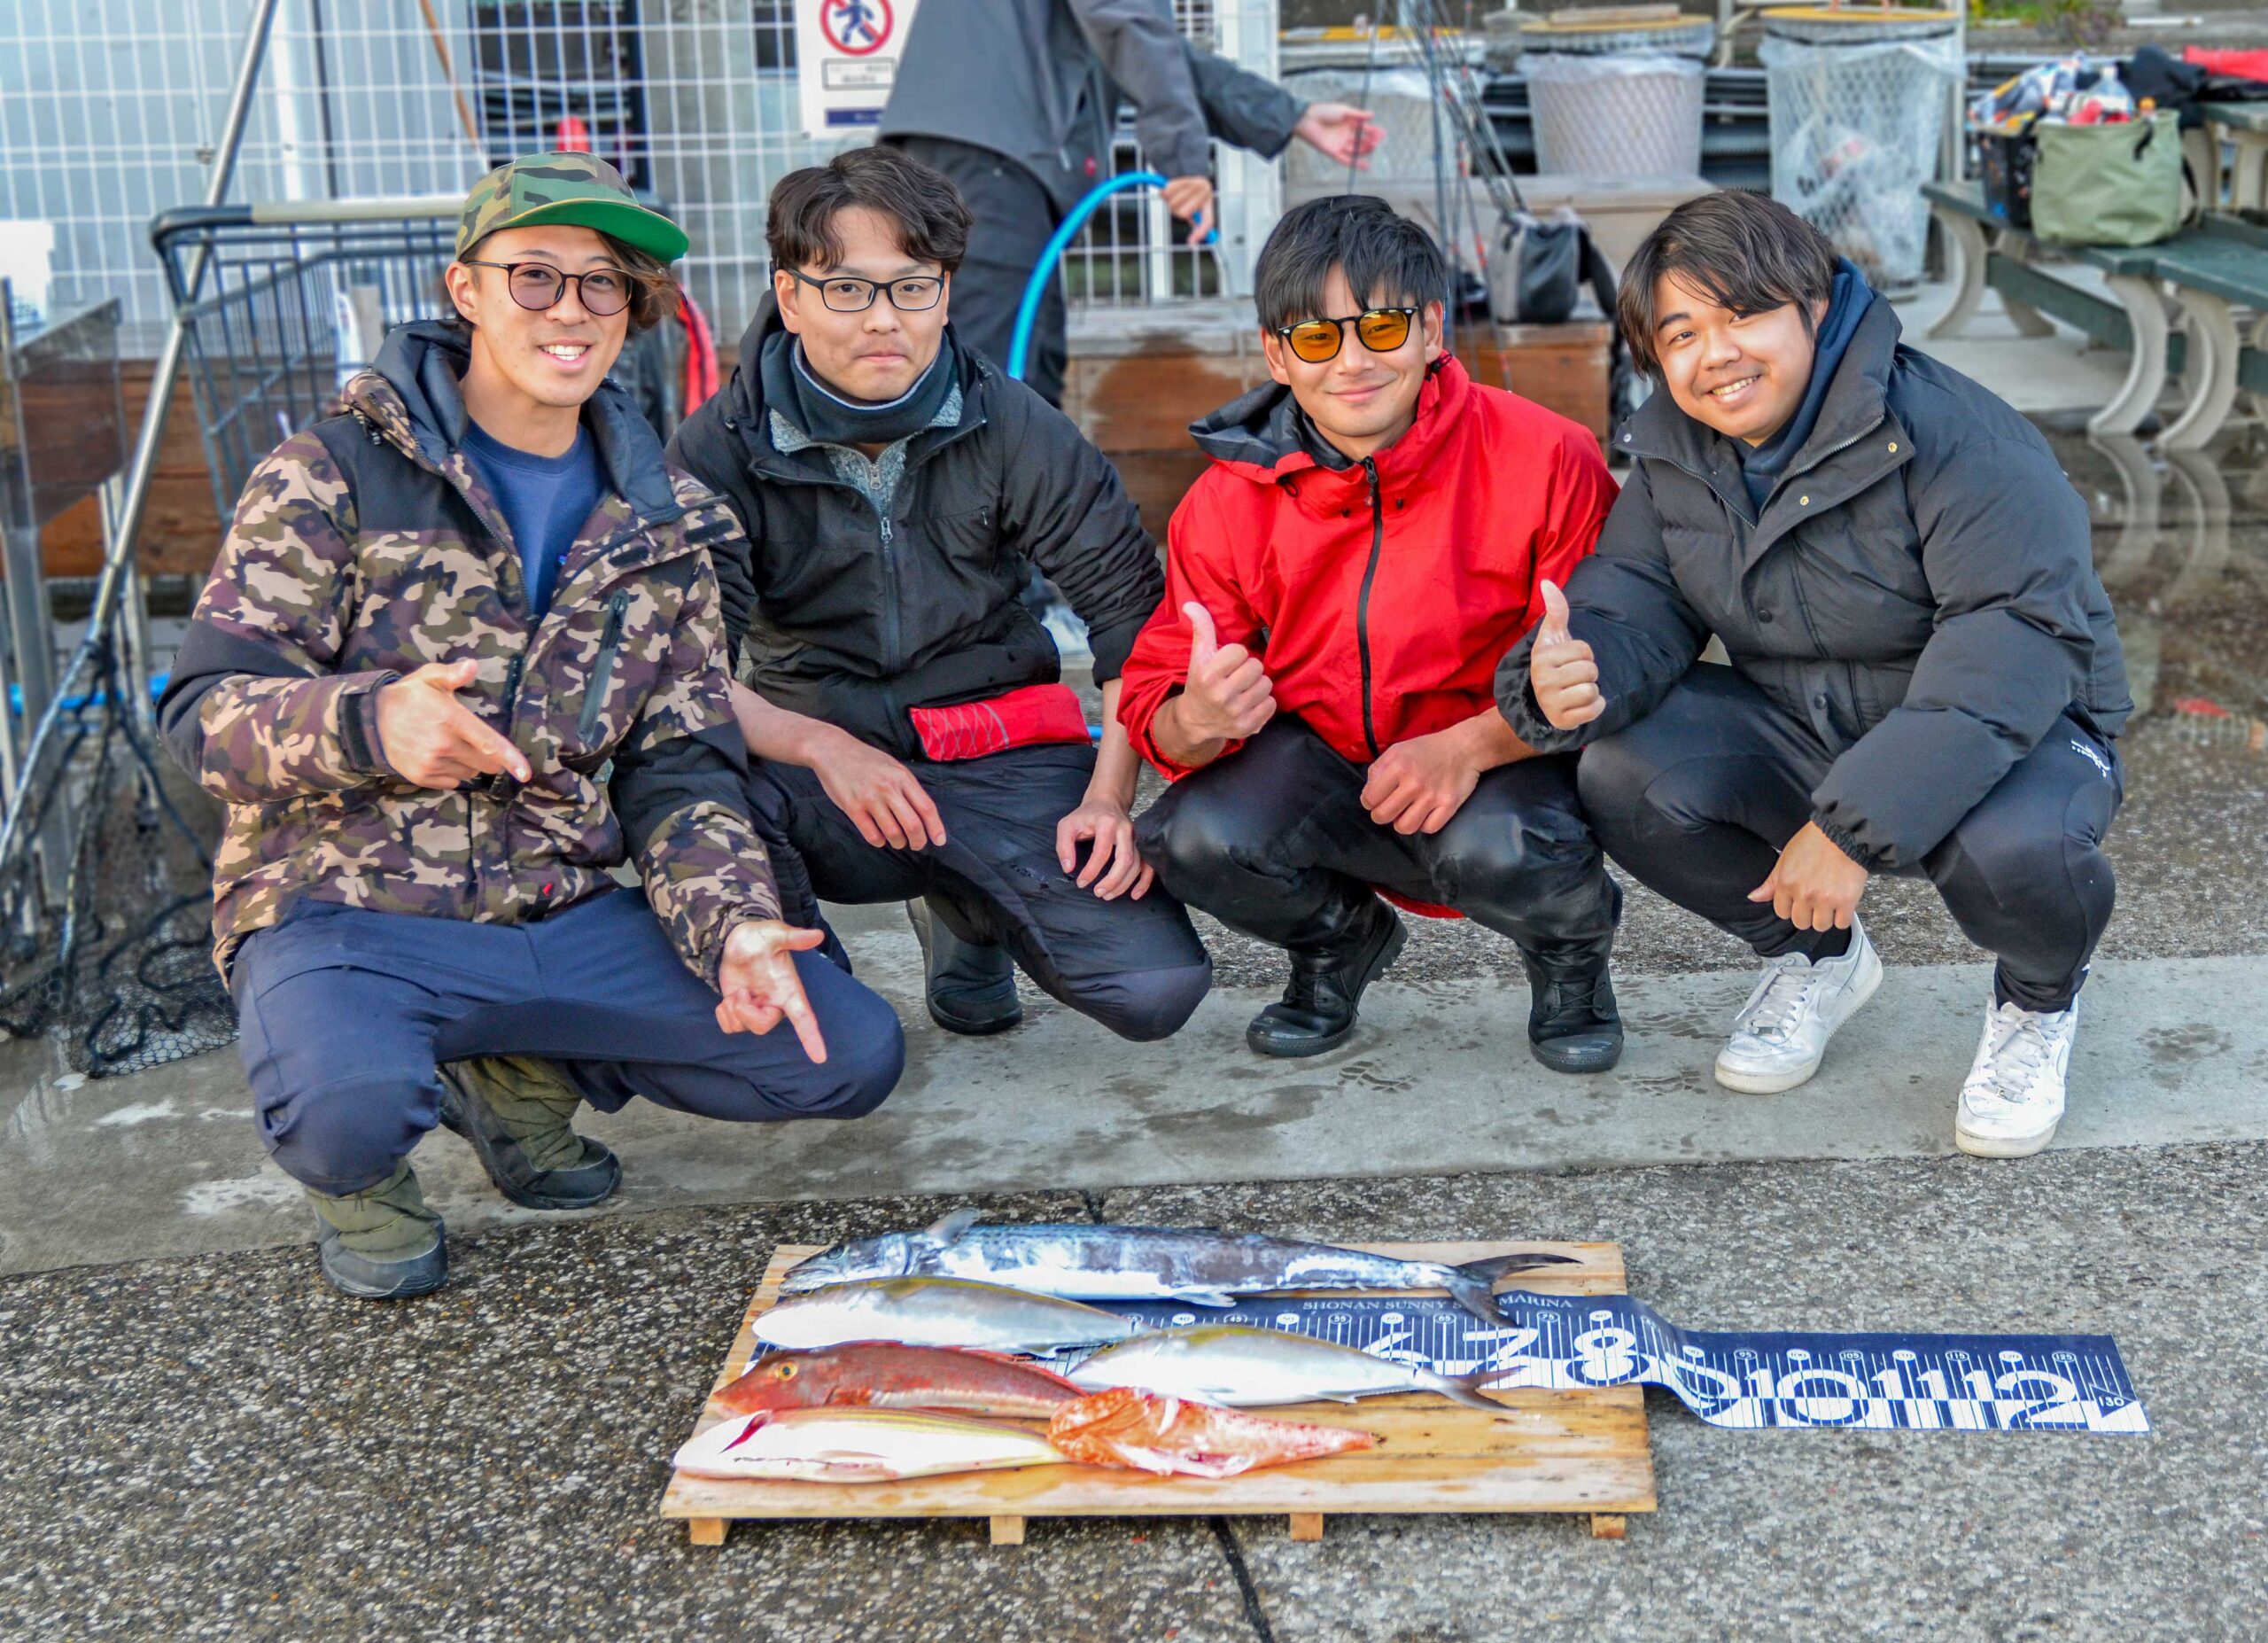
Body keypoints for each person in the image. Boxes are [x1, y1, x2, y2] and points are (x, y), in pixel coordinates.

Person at [158, 154, 905, 1301]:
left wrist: (736, 926)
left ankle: (517, 1081)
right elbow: (202, 715)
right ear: (466, 289)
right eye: (536, 275)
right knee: (349, 1107)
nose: (571, 309)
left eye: (603, 283)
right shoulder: (332, 472)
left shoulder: (669, 519)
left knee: (840, 1052)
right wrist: (370, 723)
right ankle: (364, 1180)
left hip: (560, 905)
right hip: (351, 910)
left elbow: (682, 762)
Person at [1501, 191, 2130, 1157]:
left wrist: (1847, 828)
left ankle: (2038, 1003)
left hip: (2022, 731)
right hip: (1810, 721)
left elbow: (2008, 650)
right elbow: (1634, 599)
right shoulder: (1677, 450)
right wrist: (1576, 673)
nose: (1716, 354)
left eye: (1743, 314)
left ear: (1817, 305)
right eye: (1681, 333)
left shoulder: (1962, 438)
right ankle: (1817, 958)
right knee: (1621, 767)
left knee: (2018, 852)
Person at [666, 146, 1214, 1042]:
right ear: (790, 296)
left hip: (992, 745)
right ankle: (816, 987)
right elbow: (684, 673)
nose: (884, 318)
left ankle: (966, 910)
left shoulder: (1012, 423)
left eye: (912, 287)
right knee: (714, 797)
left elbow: (1130, 618)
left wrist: (1109, 799)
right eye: (848, 289)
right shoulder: (719, 448)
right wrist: (821, 746)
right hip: (819, 764)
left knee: (1153, 988)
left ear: (946, 293)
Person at [1118, 196, 1625, 1066]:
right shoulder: (1223, 501)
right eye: (1317, 338)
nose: (1352, 362)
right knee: (1188, 837)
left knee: (1507, 850)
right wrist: (1194, 719)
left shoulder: (1549, 456)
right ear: (1277, 355)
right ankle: (1337, 942)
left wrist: (1468, 746)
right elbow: (1155, 695)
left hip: (1497, 762)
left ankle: (1569, 955)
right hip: (1322, 763)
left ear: (1431, 330)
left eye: (1382, 327)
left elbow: (1612, 659)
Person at [878, 0, 1381, 406]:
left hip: (962, 154)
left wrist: (1291, 115)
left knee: (999, 374)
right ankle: (985, 505)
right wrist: (1183, 160)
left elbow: (1156, 48)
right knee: (998, 385)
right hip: (992, 165)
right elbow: (1133, 27)